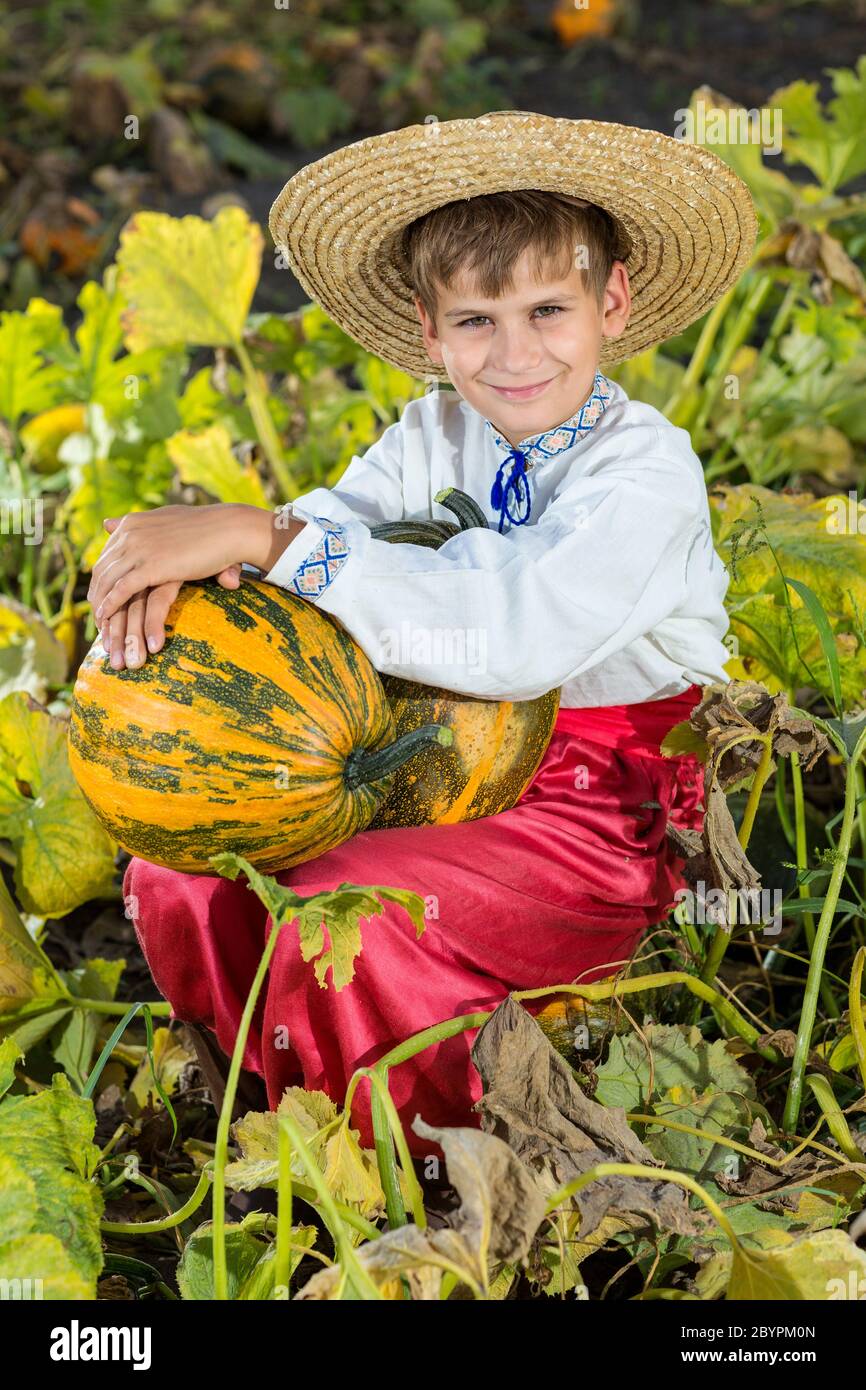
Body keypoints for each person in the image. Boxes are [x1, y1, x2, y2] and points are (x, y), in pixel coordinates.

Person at [87, 111, 756, 1159]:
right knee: (194, 860)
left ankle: (414, 1147)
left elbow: (509, 634)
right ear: (429, 328)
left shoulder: (644, 474)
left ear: (610, 302)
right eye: (476, 320)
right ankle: (264, 1089)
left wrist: (269, 534)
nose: (515, 351)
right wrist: (187, 577)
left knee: (345, 912)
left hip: (588, 805)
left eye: (547, 309)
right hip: (418, 756)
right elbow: (329, 543)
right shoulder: (428, 436)